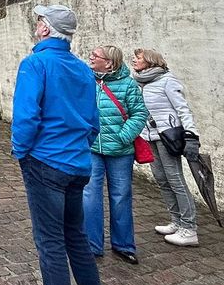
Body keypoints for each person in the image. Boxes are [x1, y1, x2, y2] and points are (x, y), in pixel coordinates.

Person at [12, 4, 105, 285]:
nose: (37, 24)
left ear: (46, 29)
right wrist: (79, 147)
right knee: (76, 239)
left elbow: (26, 118)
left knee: (51, 244)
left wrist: (20, 152)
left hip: (45, 161)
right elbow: (93, 122)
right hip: (77, 163)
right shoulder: (82, 69)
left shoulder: (35, 64)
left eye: (40, 20)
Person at [83, 45, 148, 264]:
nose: (91, 56)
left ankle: (123, 244)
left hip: (121, 151)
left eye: (96, 55)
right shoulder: (88, 81)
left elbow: (140, 114)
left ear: (109, 63)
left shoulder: (128, 84)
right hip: (92, 148)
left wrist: (122, 136)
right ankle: (92, 245)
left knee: (121, 196)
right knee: (90, 195)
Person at [133, 48, 201, 247]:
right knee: (162, 180)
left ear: (150, 61)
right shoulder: (142, 82)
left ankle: (189, 228)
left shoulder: (167, 80)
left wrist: (191, 135)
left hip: (167, 137)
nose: (134, 61)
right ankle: (177, 221)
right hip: (150, 137)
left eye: (138, 58)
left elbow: (183, 109)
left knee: (176, 180)